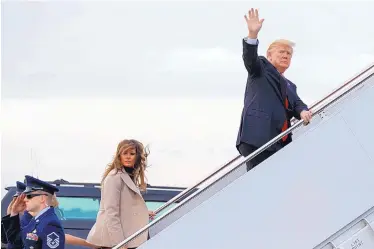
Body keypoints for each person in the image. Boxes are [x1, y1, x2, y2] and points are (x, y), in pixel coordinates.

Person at [236, 8, 313, 171]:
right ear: (269, 55)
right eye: (282, 52)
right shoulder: (261, 68)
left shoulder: (291, 85)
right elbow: (250, 59)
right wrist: (252, 35)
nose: (286, 56)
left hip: (279, 142)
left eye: (289, 54)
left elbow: (297, 103)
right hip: (259, 137)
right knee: (259, 181)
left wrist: (303, 112)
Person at [86, 139, 155, 249]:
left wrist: (143, 212)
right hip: (113, 241)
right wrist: (120, 243)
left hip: (123, 238)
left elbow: (125, 206)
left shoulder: (128, 176)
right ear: (119, 155)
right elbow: (111, 212)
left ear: (137, 157)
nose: (128, 157)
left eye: (132, 154)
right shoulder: (114, 177)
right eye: (125, 153)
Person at [2, 175, 65, 249]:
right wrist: (14, 213)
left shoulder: (51, 224)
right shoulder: (36, 221)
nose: (25, 199)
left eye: (29, 196)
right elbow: (16, 242)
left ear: (42, 198)